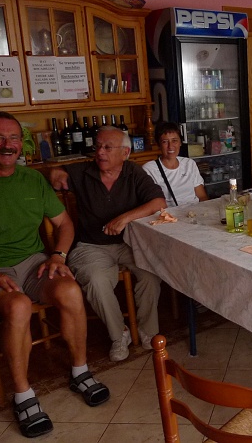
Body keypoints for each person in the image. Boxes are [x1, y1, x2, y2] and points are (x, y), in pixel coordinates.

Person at [0, 112, 109, 438]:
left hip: (33, 264)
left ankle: (80, 371)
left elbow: (64, 224)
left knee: (70, 290)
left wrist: (58, 255)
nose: (8, 145)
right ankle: (23, 394)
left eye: (14, 138)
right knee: (17, 306)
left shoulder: (32, 180)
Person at [49, 126, 166, 362]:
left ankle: (147, 331)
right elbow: (55, 171)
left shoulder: (133, 172)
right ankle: (118, 334)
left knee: (151, 272)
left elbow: (158, 202)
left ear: (124, 153)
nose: (100, 152)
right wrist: (56, 172)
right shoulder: (84, 171)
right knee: (97, 280)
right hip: (90, 245)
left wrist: (125, 218)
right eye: (98, 146)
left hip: (128, 243)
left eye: (107, 147)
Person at [142, 122, 209, 207]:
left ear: (180, 143)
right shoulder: (149, 169)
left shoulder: (189, 164)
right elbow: (151, 205)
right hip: (170, 217)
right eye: (165, 142)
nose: (170, 146)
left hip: (194, 214)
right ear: (159, 145)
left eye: (174, 141)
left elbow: (202, 197)